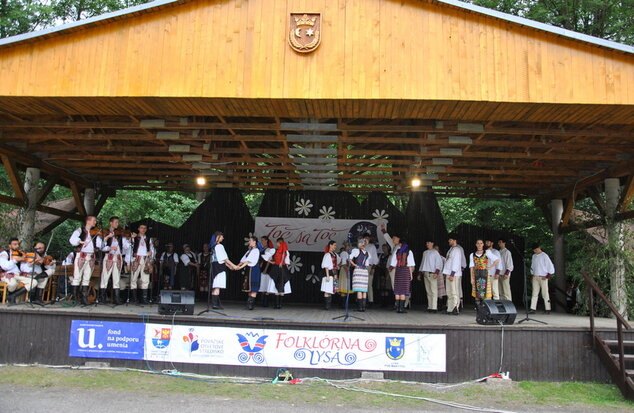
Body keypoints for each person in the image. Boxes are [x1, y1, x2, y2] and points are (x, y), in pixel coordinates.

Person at [69, 215, 102, 305]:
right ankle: (75, 299)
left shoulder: (94, 233)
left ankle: (84, 299)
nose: (95, 222)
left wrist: (104, 238)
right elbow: (72, 240)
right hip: (82, 256)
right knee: (77, 277)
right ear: (88, 221)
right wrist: (80, 241)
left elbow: (100, 245)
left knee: (87, 278)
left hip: (91, 257)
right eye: (94, 220)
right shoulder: (80, 230)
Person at [100, 216, 129, 305]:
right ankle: (102, 299)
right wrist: (109, 245)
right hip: (109, 257)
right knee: (105, 277)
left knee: (116, 279)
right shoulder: (105, 233)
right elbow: (101, 247)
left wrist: (129, 239)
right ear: (111, 223)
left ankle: (116, 299)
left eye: (118, 222)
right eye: (116, 222)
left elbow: (126, 247)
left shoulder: (120, 235)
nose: (117, 224)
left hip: (118, 257)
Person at [209, 231, 238, 309]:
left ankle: (216, 304)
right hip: (219, 268)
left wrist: (229, 266)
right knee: (217, 286)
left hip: (215, 267)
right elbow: (224, 258)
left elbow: (220, 259)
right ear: (218, 237)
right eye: (222, 236)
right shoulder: (219, 246)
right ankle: (215, 304)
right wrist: (233, 265)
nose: (223, 238)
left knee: (216, 286)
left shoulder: (213, 246)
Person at [129, 224, 155, 304]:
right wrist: (129, 261)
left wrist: (151, 257)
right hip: (136, 259)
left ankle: (144, 299)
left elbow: (152, 250)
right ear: (138, 228)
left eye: (145, 228)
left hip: (145, 259)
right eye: (141, 228)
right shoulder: (134, 238)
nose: (143, 229)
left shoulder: (148, 239)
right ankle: (134, 299)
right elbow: (129, 249)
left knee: (146, 279)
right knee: (133, 279)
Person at [469, 239, 500, 305]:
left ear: (483, 244)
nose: (479, 245)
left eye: (481, 243)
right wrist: (471, 278)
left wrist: (490, 266)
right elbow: (471, 267)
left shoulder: (487, 252)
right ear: (476, 244)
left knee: (485, 292)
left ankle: (486, 308)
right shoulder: (472, 254)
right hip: (476, 274)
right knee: (477, 293)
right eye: (478, 243)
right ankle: (478, 309)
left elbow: (497, 260)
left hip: (485, 274)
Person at [0, 238, 31, 304]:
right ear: (9, 246)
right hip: (7, 274)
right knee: (12, 283)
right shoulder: (4, 253)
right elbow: (5, 266)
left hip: (18, 274)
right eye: (14, 244)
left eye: (18, 244)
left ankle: (13, 296)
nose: (17, 246)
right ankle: (11, 297)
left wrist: (31, 262)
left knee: (33, 281)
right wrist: (16, 260)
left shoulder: (20, 254)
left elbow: (24, 267)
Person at [390, 238, 415, 313]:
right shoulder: (409, 252)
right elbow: (410, 264)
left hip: (398, 271)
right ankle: (401, 308)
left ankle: (397, 308)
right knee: (403, 291)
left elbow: (393, 263)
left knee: (397, 290)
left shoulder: (397, 251)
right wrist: (411, 275)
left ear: (401, 244)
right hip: (405, 272)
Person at [236, 236, 262, 310]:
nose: (249, 242)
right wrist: (236, 266)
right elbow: (243, 260)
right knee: (249, 288)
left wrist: (239, 267)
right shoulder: (249, 251)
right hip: (249, 270)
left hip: (254, 270)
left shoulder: (256, 250)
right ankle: (248, 304)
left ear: (254, 242)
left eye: (250, 240)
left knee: (253, 287)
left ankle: (250, 305)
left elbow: (248, 261)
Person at [418, 240, 444, 313]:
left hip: (432, 273)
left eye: (429, 243)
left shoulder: (435, 252)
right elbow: (422, 263)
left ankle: (434, 307)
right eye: (426, 243)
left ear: (432, 243)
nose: (427, 244)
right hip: (426, 273)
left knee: (433, 291)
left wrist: (436, 272)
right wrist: (420, 273)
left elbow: (439, 263)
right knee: (428, 291)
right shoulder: (425, 252)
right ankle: (430, 306)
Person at [443, 234, 465, 315]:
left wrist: (452, 273)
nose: (449, 241)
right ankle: (450, 308)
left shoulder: (457, 250)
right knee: (449, 291)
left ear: (455, 240)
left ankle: (455, 308)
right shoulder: (451, 249)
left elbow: (456, 262)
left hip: (454, 274)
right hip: (448, 273)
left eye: (450, 240)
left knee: (454, 291)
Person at [529, 243, 555, 314]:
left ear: (539, 248)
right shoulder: (534, 256)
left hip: (543, 276)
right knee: (534, 293)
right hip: (535, 276)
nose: (535, 251)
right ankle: (533, 308)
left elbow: (550, 266)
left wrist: (547, 276)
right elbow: (532, 266)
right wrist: (532, 274)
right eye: (534, 250)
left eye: (536, 249)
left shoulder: (544, 256)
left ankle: (548, 308)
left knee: (545, 293)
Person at [268, 237, 291, 309]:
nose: (276, 244)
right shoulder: (280, 251)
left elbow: (284, 259)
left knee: (278, 284)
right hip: (281, 268)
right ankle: (278, 304)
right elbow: (286, 262)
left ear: (279, 243)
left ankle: (277, 304)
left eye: (277, 243)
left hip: (279, 268)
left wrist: (279, 263)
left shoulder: (280, 251)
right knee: (279, 284)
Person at [349, 238, 370, 312]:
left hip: (358, 270)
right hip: (365, 271)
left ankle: (360, 307)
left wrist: (354, 264)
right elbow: (367, 264)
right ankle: (363, 307)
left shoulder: (356, 251)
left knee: (359, 290)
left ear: (360, 244)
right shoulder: (367, 253)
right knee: (364, 290)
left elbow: (349, 258)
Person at [320, 240, 338, 310]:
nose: (335, 247)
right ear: (330, 245)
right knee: (327, 290)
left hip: (334, 274)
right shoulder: (327, 254)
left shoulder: (335, 254)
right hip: (329, 274)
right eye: (334, 245)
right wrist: (327, 276)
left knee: (331, 290)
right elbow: (326, 266)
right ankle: (327, 306)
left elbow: (337, 263)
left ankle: (329, 306)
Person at [259, 236, 275, 307]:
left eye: (262, 240)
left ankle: (265, 302)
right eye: (261, 240)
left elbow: (269, 260)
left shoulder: (269, 249)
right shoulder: (262, 249)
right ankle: (262, 301)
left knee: (266, 284)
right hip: (262, 267)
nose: (261, 241)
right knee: (262, 284)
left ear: (266, 241)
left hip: (266, 268)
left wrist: (265, 269)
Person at [363, 233, 379, 307]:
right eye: (365, 238)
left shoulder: (372, 246)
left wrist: (373, 268)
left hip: (369, 266)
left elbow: (375, 258)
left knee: (369, 284)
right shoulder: (361, 246)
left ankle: (370, 300)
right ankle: (362, 300)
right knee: (362, 284)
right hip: (361, 267)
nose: (366, 239)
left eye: (367, 238)